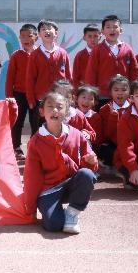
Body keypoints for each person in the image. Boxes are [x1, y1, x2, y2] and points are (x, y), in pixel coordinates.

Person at [22, 91, 98, 234]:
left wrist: (91, 162)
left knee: (86, 174)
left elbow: (91, 166)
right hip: (49, 190)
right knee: (54, 226)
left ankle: (72, 212)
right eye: (50, 107)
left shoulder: (76, 134)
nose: (55, 110)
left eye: (59, 107)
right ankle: (55, 212)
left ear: (67, 112)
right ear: (42, 111)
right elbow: (32, 177)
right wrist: (30, 208)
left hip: (71, 184)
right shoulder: (36, 142)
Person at [84, 15, 138, 107]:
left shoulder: (128, 49)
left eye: (115, 27)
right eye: (108, 27)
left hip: (123, 96)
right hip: (103, 96)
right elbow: (91, 73)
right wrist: (92, 94)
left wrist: (134, 91)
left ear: (121, 30)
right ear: (102, 31)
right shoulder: (97, 49)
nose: (112, 30)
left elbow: (134, 72)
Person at [6, 23, 39, 158]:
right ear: (19, 38)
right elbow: (10, 78)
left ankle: (34, 146)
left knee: (36, 121)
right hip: (19, 94)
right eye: (23, 36)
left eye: (29, 36)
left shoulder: (39, 54)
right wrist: (9, 96)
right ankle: (16, 147)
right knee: (17, 121)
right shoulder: (16, 55)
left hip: (36, 94)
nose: (26, 39)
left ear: (36, 37)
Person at [26, 20, 71, 109]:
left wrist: (69, 96)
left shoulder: (63, 53)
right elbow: (30, 79)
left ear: (56, 33)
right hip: (41, 99)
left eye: (49, 28)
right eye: (43, 29)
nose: (47, 31)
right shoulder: (34, 55)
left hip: (60, 98)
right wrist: (30, 99)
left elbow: (68, 76)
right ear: (39, 34)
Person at [89, 75, 131, 172]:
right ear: (110, 92)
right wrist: (113, 117)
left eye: (124, 90)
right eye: (116, 90)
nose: (120, 93)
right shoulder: (105, 109)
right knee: (106, 150)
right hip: (114, 143)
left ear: (129, 92)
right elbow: (106, 135)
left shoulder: (135, 106)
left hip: (132, 143)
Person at [72, 23, 100, 89]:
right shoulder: (80, 56)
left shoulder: (104, 54)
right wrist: (77, 91)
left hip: (102, 91)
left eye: (95, 36)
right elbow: (75, 77)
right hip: (85, 91)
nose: (92, 39)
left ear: (100, 37)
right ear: (84, 38)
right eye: (89, 36)